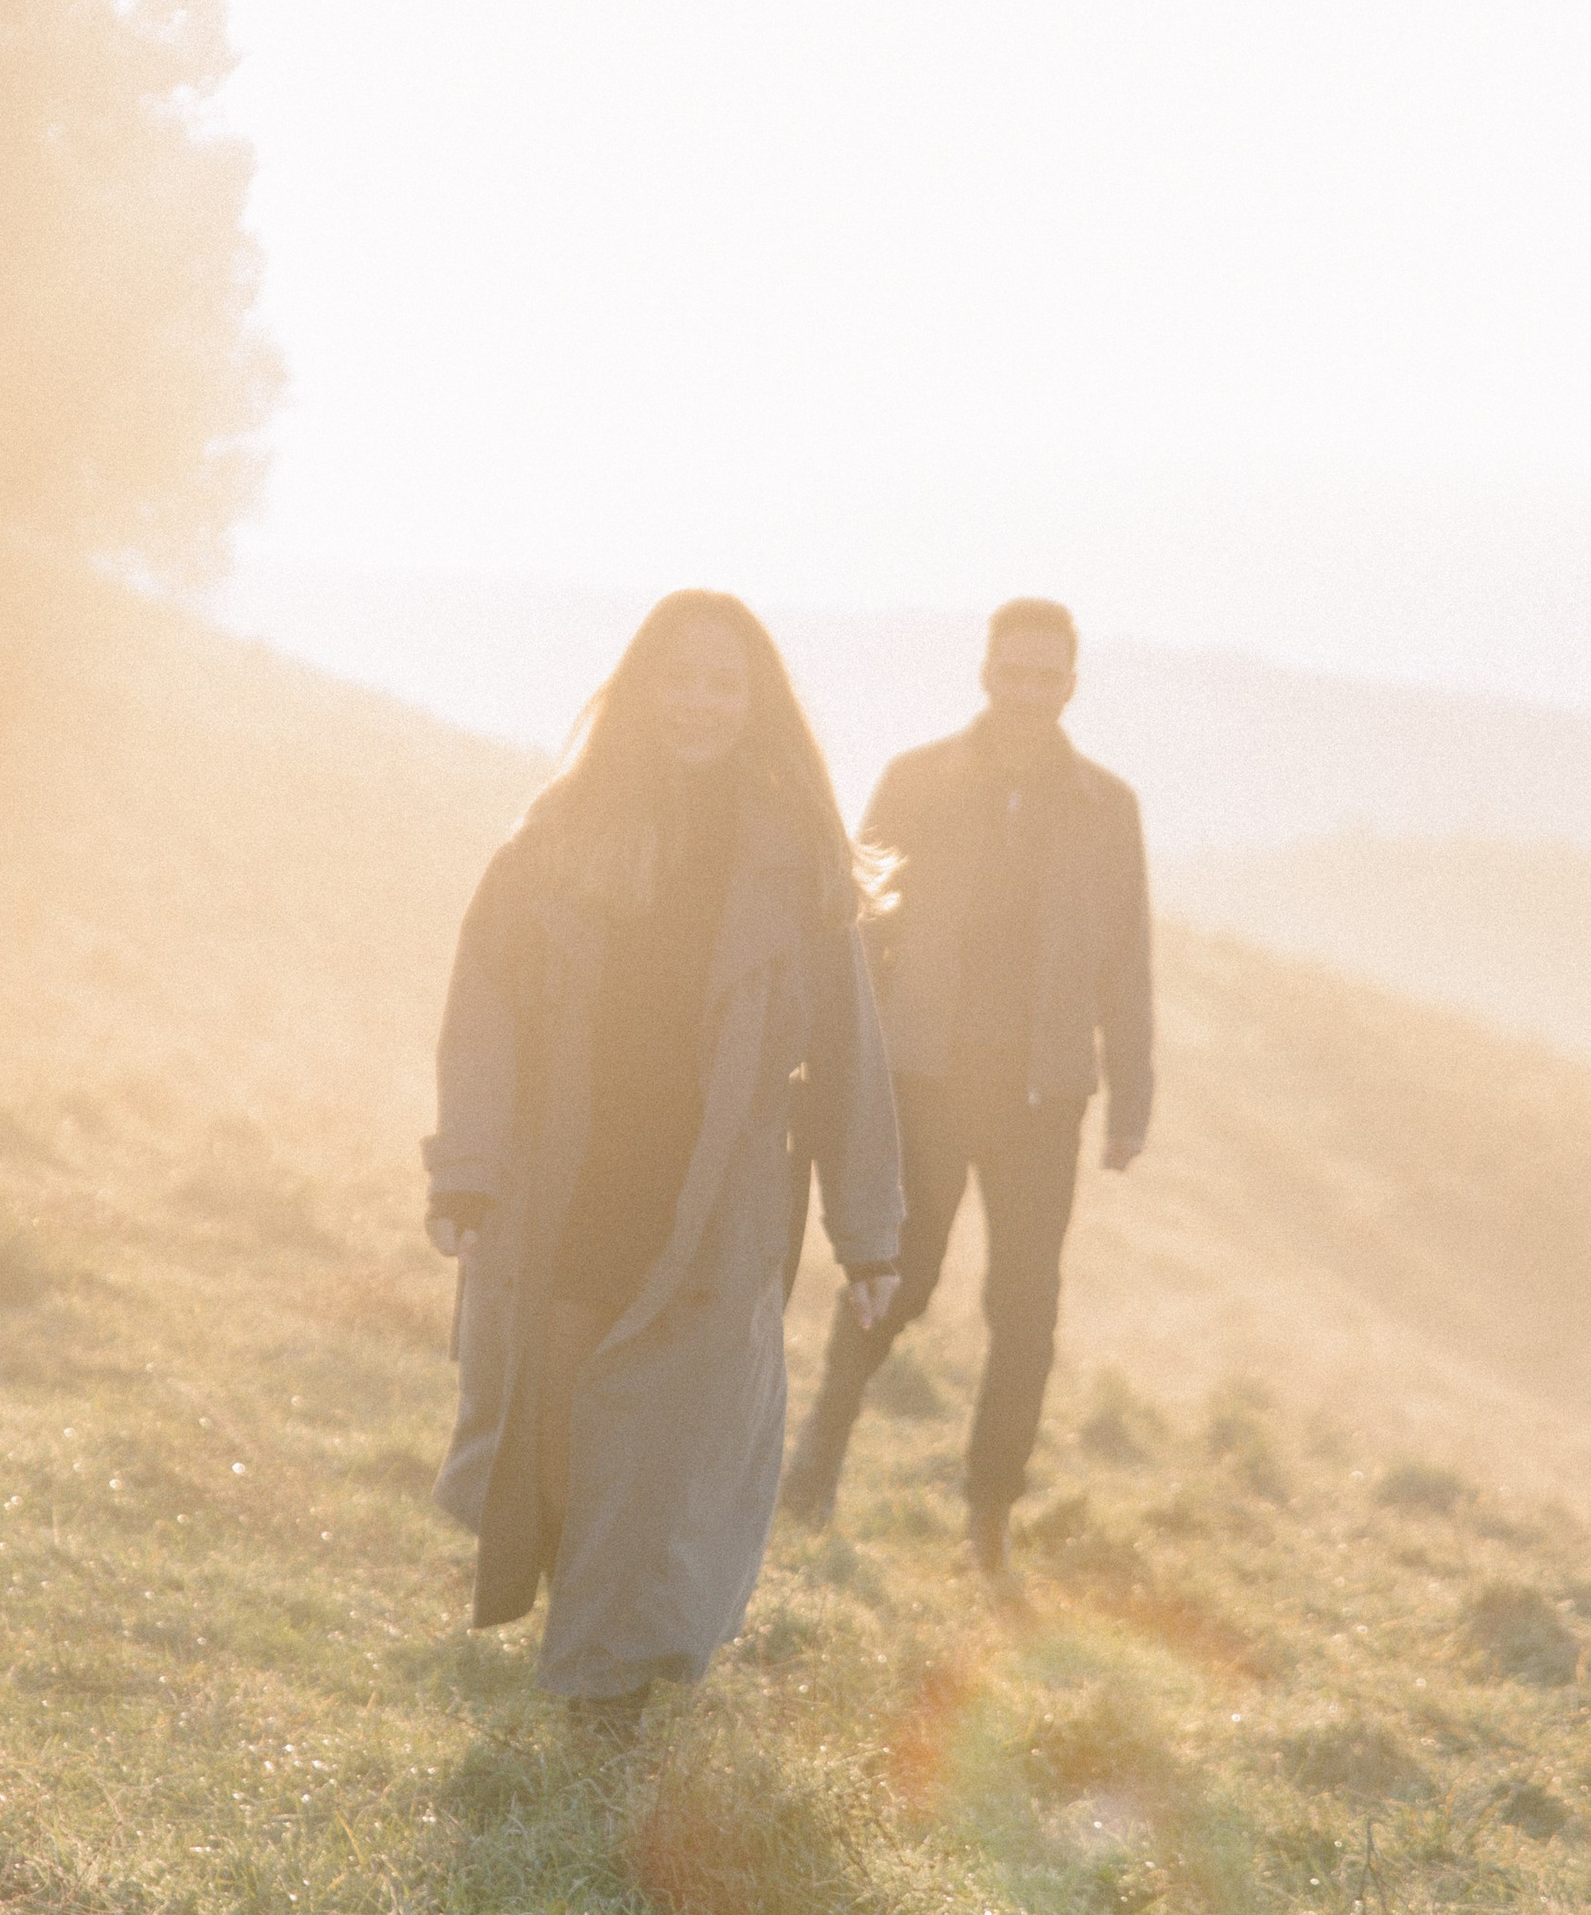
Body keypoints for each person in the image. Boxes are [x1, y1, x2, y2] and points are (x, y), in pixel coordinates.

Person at [424, 591, 902, 1716]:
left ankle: (602, 1689)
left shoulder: (799, 860)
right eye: (678, 677)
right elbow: (481, 1007)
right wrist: (468, 1166)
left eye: (722, 682)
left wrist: (868, 1234)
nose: (699, 701)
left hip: (718, 1197)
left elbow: (850, 1055)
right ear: (641, 689)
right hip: (570, 1177)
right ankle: (590, 1637)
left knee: (668, 1453)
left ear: (755, 702)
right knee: (557, 1436)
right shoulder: (560, 832)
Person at [779, 597, 1152, 1573]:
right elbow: (849, 933)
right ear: (985, 671)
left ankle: (989, 1515)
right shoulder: (915, 783)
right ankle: (818, 1454)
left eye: (1047, 676)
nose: (1027, 691)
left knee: (1025, 1311)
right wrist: (830, 1064)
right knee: (894, 1281)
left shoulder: (1108, 809)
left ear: (1070, 684)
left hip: (1044, 1098)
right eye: (1012, 671)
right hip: (924, 1081)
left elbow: (1127, 959)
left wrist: (1132, 1097)